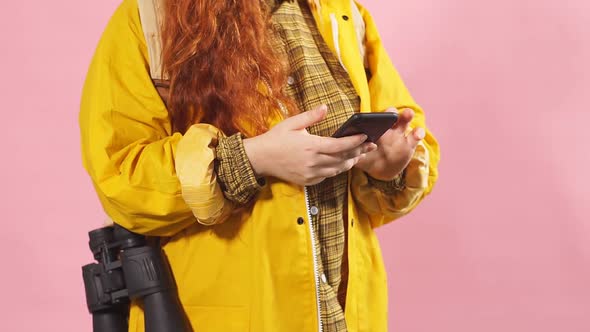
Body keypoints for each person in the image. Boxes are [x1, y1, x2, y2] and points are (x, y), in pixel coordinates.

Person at [79, 0, 440, 331]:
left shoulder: (343, 14)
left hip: (344, 315)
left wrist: (389, 164)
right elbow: (121, 176)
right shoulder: (149, 18)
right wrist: (253, 158)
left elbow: (404, 139)